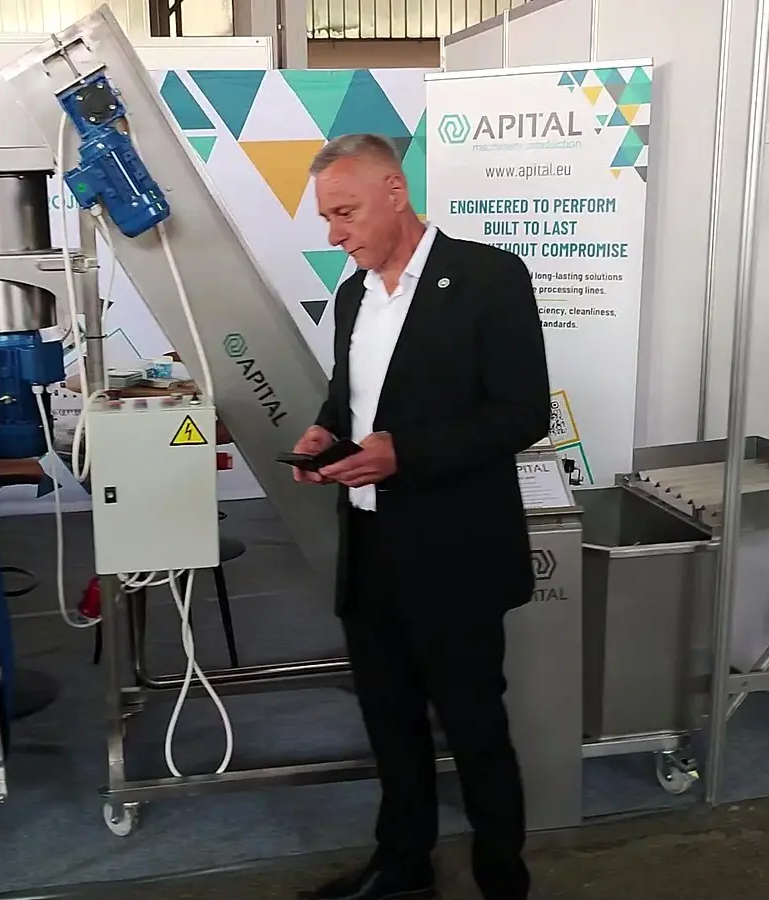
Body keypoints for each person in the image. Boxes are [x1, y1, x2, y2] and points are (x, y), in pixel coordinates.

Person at [291, 133, 550, 900]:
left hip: (455, 553)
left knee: (473, 724)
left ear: (395, 192)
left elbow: (521, 413)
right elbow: (352, 400)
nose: (334, 234)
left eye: (345, 212)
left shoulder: (489, 278)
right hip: (370, 544)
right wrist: (324, 432)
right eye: (327, 217)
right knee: (388, 716)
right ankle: (402, 864)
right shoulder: (352, 295)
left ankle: (502, 878)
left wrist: (405, 453)